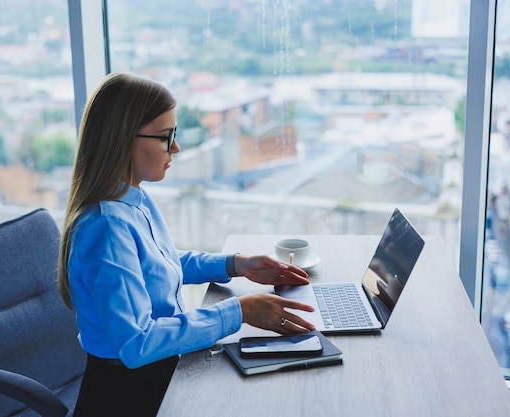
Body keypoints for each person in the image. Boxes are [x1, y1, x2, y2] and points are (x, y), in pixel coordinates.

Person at [57, 72, 316, 417]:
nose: (175, 148)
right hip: (129, 396)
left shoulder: (131, 202)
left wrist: (234, 265)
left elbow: (155, 264)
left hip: (159, 372)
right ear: (122, 140)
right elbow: (137, 344)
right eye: (166, 138)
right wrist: (239, 311)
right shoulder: (107, 227)